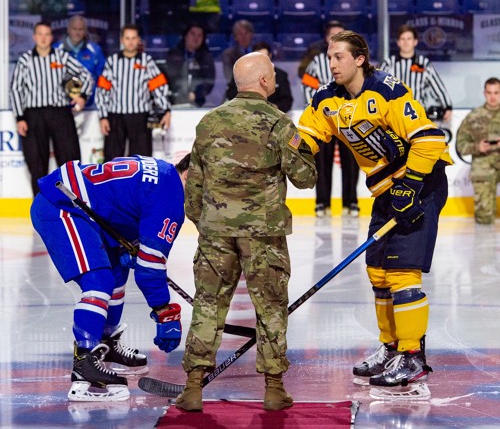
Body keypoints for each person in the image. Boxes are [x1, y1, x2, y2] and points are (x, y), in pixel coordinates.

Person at [298, 31, 453, 392]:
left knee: (401, 272)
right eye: (329, 56)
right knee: (377, 271)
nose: (331, 63)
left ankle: (413, 357)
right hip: (386, 191)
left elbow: (429, 140)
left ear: (360, 59)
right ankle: (392, 348)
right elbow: (304, 137)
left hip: (422, 184)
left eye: (338, 57)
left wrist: (409, 185)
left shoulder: (388, 90)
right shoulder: (326, 99)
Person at [176, 52, 317, 412]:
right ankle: (273, 388)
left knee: (208, 304)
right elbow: (305, 178)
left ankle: (194, 386)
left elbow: (194, 183)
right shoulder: (278, 122)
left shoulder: (209, 122)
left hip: (215, 232)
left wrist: (203, 222)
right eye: (273, 75)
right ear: (264, 82)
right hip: (263, 234)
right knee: (270, 307)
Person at [31, 153, 190, 401]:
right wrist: (164, 311)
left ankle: (105, 342)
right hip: (62, 206)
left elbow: (121, 201)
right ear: (191, 174)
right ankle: (85, 365)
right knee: (99, 282)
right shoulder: (170, 198)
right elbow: (150, 268)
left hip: (78, 204)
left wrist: (135, 244)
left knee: (116, 273)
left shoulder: (163, 171)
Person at [10, 21, 93, 197]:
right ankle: (42, 207)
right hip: (34, 115)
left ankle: (74, 203)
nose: (43, 38)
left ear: (51, 37)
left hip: (59, 112)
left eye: (47, 34)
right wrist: (20, 118)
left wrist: (82, 96)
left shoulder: (61, 57)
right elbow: (16, 89)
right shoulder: (25, 60)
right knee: (36, 162)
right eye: (40, 34)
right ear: (34, 37)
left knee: (69, 158)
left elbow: (86, 75)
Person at [301, 21, 360, 217]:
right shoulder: (317, 62)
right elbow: (308, 88)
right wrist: (322, 108)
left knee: (351, 161)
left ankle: (351, 202)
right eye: (333, 36)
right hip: (324, 121)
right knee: (322, 163)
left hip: (348, 120)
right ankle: (322, 203)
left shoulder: (352, 61)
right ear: (327, 40)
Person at [95, 24, 171, 163]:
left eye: (133, 38)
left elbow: (159, 87)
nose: (130, 42)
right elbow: (102, 90)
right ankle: (113, 185)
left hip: (140, 116)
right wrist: (103, 116)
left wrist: (165, 109)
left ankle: (140, 186)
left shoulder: (147, 61)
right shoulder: (112, 61)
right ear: (121, 40)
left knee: (141, 160)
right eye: (127, 38)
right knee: (112, 158)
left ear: (138, 40)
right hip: (115, 116)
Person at [379, 25, 453, 123]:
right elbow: (376, 86)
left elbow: (438, 86)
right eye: (403, 39)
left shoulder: (424, 64)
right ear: (398, 42)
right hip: (393, 118)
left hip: (418, 118)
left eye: (409, 39)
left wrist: (447, 106)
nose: (406, 42)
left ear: (415, 42)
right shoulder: (389, 64)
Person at [456, 77, 500, 225]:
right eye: (489, 93)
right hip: (483, 166)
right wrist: (477, 147)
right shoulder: (473, 117)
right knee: (484, 219)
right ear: (484, 93)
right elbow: (460, 145)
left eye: (496, 92)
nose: (493, 97)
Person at [225, 41, 293, 113]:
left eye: (264, 56)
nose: (261, 60)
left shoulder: (280, 75)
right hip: (244, 111)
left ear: (270, 55)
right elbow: (231, 93)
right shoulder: (242, 72)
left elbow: (287, 100)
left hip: (273, 114)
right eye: (258, 57)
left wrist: (273, 108)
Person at [54, 15, 106, 108]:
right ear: (68, 30)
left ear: (85, 31)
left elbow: (103, 77)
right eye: (74, 29)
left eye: (81, 29)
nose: (77, 32)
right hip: (61, 107)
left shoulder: (95, 51)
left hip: (89, 106)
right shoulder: (56, 50)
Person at [164, 23, 215, 107]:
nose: (196, 38)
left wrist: (196, 94)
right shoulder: (173, 55)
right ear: (185, 36)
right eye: (193, 34)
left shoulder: (206, 57)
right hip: (174, 101)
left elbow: (209, 81)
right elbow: (168, 76)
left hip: (197, 103)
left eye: (200, 35)